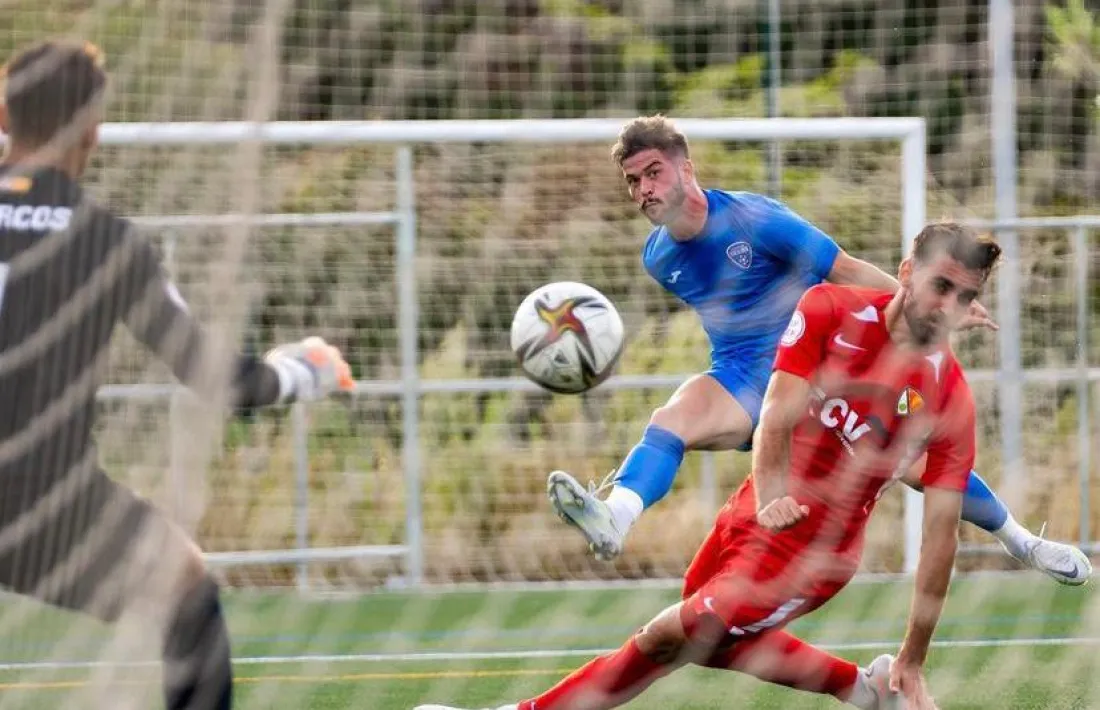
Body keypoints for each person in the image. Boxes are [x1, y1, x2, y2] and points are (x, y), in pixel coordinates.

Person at [416, 220, 1003, 710]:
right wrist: (771, 494)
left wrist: (915, 657)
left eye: (965, 297)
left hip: (815, 554)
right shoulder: (828, 307)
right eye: (941, 285)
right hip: (753, 511)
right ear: (906, 270)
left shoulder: (948, 399)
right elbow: (775, 410)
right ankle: (865, 690)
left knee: (667, 634)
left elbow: (940, 538)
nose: (949, 306)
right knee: (703, 642)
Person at [547, 114, 1090, 586]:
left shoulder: (757, 220)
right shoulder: (658, 258)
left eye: (653, 172)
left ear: (685, 169)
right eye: (633, 180)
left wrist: (929, 308)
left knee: (911, 463)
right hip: (745, 378)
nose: (643, 188)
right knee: (672, 418)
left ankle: (1021, 541)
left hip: (820, 368)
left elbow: (847, 270)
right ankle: (615, 515)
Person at [0, 40, 354, 709]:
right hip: (46, 503)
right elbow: (225, 384)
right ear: (93, 129)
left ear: (1, 115)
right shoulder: (106, 240)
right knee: (187, 598)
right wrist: (304, 369)